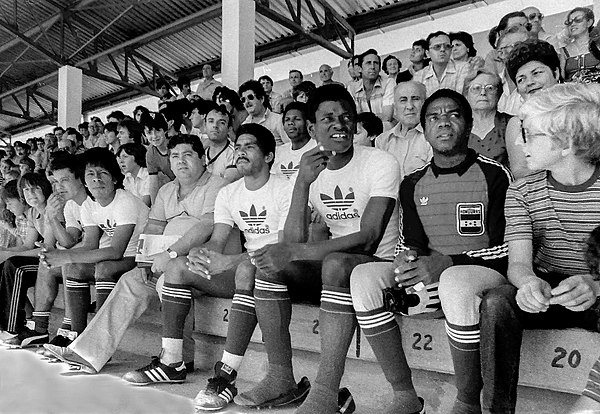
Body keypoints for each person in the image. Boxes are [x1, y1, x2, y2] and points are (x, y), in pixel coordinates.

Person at [235, 84, 400, 413]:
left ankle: (326, 389)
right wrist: (302, 183)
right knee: (262, 266)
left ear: (354, 124)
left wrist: (300, 253)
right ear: (312, 129)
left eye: (346, 117)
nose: (339, 124)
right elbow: (294, 240)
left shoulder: (381, 161)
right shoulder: (309, 168)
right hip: (333, 263)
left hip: (379, 265)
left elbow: (369, 237)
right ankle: (281, 377)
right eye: (328, 118)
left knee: (335, 263)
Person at [351, 88, 511, 414]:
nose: (443, 122)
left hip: (481, 274)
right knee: (364, 276)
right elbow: (411, 243)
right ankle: (405, 395)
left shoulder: (495, 174)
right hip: (435, 274)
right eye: (434, 116)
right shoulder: (412, 183)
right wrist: (404, 260)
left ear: (467, 126)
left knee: (454, 281)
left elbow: (506, 250)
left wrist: (448, 263)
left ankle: (467, 403)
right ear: (424, 129)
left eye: (453, 114)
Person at [44, 135, 229, 376]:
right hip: (164, 260)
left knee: (169, 279)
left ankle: (177, 360)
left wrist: (171, 254)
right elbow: (153, 228)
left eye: (188, 155)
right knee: (131, 281)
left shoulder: (216, 185)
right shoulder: (166, 190)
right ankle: (89, 352)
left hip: (201, 264)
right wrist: (144, 261)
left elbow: (206, 226)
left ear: (202, 158)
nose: (180, 161)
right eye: (174, 156)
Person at [480, 83, 600, 413]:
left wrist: (595, 285)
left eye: (529, 134)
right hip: (550, 287)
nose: (519, 144)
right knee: (497, 303)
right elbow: (518, 264)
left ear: (565, 144)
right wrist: (528, 284)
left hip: (597, 292)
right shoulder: (521, 191)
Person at [39, 148, 149, 337]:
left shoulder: (125, 201)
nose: (96, 179)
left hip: (140, 259)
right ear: (85, 180)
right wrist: (65, 258)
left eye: (103, 173)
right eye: (90, 174)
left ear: (114, 178)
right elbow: (90, 244)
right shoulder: (89, 205)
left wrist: (65, 256)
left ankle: (97, 339)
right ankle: (77, 336)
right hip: (120, 259)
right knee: (74, 268)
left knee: (104, 268)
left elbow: (116, 251)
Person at [10, 153, 88, 349]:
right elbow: (68, 241)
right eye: (55, 181)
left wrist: (61, 250)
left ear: (80, 178)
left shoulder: (90, 201)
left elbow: (88, 244)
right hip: (82, 253)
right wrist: (52, 219)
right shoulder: (69, 205)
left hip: (104, 256)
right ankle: (39, 327)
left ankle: (68, 328)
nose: (58, 187)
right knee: (49, 260)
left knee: (61, 260)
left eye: (64, 181)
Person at [0, 173, 53, 344]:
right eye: (26, 190)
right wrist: (5, 251)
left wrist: (10, 254)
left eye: (35, 188)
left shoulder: (52, 209)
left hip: (55, 260)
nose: (31, 194)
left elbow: (48, 249)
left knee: (16, 266)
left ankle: (13, 327)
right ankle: (4, 323)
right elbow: (28, 245)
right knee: (5, 264)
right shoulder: (32, 213)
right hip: (42, 258)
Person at [504, 39, 560, 179]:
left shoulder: (579, 111)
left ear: (556, 73)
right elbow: (520, 172)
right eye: (521, 79)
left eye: (536, 73)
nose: (529, 82)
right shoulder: (517, 125)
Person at [375, 81, 432, 178]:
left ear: (425, 103)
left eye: (415, 99)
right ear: (395, 106)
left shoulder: (433, 138)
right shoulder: (382, 141)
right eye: (403, 100)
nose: (409, 106)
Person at [465, 69, 510, 165]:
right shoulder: (458, 127)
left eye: (490, 88)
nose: (483, 93)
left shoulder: (510, 124)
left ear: (499, 94)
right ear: (466, 95)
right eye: (476, 88)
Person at [413, 31, 471, 97]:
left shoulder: (463, 67)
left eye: (447, 46)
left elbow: (462, 98)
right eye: (437, 47)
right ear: (427, 53)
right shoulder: (419, 76)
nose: (443, 49)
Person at [349, 48, 395, 129]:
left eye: (376, 63)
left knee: (387, 125)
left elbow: (387, 117)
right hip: (364, 132)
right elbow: (355, 118)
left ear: (380, 68)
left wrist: (365, 119)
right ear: (360, 68)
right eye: (368, 63)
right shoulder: (352, 88)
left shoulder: (388, 82)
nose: (373, 67)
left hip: (385, 131)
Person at [273, 102, 317, 178]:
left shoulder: (316, 148)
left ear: (308, 123)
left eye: (297, 119)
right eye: (287, 120)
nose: (290, 123)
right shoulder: (279, 152)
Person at [240, 80, 289, 146]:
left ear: (261, 99)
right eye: (243, 99)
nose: (247, 102)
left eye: (250, 97)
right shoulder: (244, 125)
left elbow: (289, 145)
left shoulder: (278, 120)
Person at [561, 7, 600, 83]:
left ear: (589, 22)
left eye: (578, 20)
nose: (573, 24)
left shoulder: (597, 44)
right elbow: (561, 80)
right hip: (573, 92)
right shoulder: (563, 51)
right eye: (569, 22)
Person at [203, 105, 241, 183]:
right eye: (211, 121)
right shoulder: (201, 151)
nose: (215, 126)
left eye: (221, 123)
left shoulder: (235, 152)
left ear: (229, 129)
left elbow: (225, 184)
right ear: (205, 126)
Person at [144, 113, 176, 203]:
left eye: (158, 130)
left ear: (165, 130)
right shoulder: (151, 153)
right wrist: (154, 207)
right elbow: (154, 184)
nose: (154, 136)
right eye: (149, 132)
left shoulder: (176, 145)